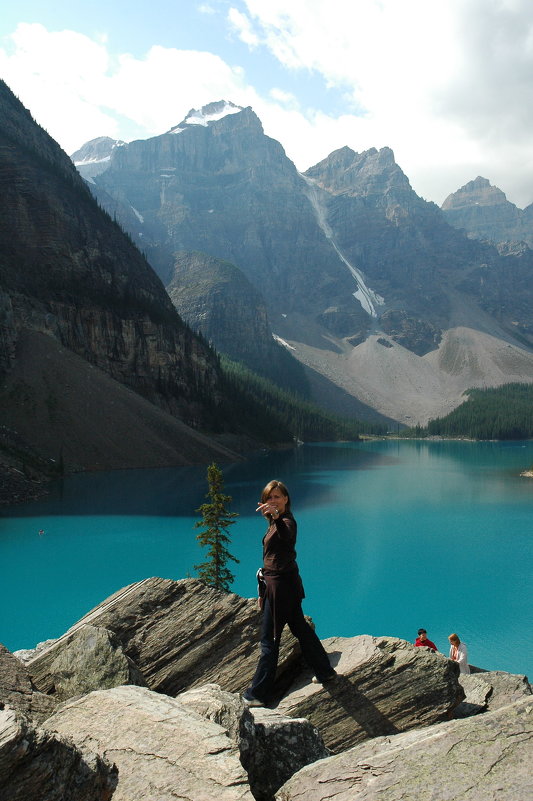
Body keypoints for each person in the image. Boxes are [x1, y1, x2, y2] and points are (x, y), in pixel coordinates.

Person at [243, 479, 337, 707]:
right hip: (285, 585)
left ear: (286, 499)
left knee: (269, 640)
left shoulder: (286, 521)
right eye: (269, 497)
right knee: (300, 628)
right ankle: (325, 672)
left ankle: (258, 693)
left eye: (277, 496)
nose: (273, 500)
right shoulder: (276, 522)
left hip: (281, 588)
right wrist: (262, 590)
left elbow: (287, 536)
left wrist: (276, 517)